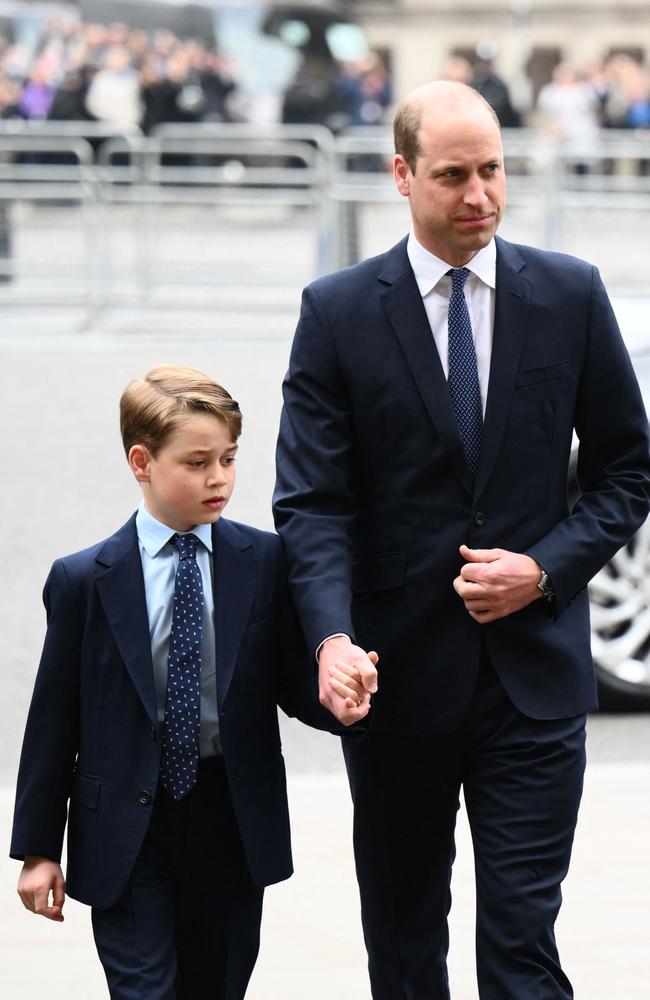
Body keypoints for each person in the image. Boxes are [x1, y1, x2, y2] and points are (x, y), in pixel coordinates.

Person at [274, 81, 650, 998]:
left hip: (534, 686)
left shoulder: (568, 294)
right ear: (401, 175)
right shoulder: (337, 312)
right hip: (394, 683)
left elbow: (627, 471)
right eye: (452, 175)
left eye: (492, 170)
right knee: (405, 955)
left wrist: (546, 569)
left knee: (523, 950)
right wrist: (329, 640)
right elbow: (313, 503)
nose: (478, 194)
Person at [11, 364, 366, 1000]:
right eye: (197, 462)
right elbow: (53, 720)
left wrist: (339, 696)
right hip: (125, 828)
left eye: (229, 459)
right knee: (144, 990)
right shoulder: (84, 580)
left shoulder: (263, 560)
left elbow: (288, 678)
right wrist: (39, 849)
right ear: (141, 461)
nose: (220, 478)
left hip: (229, 821)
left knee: (217, 985)